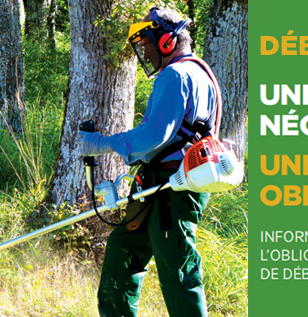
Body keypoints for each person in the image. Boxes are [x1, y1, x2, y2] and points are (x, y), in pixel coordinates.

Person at [76, 7, 222, 317]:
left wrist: (102, 143)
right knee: (123, 250)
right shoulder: (200, 72)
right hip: (160, 184)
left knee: (178, 272)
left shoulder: (176, 75)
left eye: (146, 43)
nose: (144, 51)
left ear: (167, 41)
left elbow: (154, 136)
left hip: (173, 188)